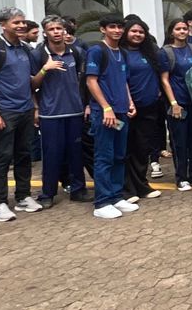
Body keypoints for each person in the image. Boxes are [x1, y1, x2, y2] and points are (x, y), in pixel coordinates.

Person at [0, 7, 42, 224]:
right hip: (4, 111)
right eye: (16, 22)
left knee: (24, 155)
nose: (21, 26)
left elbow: (29, 82)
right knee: (2, 157)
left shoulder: (24, 48)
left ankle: (23, 196)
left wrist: (34, 108)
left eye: (23, 22)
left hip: (25, 110)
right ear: (3, 25)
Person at [31, 15, 88, 206]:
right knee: (51, 155)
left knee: (76, 154)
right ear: (45, 33)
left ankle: (78, 190)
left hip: (75, 111)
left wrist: (86, 104)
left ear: (65, 31)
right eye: (51, 29)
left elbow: (85, 81)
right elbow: (31, 85)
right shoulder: (38, 55)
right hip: (50, 114)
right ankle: (47, 194)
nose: (56, 32)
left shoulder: (77, 52)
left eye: (59, 28)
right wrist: (45, 69)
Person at [86, 15, 138, 217]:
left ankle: (116, 196)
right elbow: (91, 81)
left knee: (119, 155)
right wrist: (106, 107)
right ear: (103, 29)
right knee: (104, 156)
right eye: (112, 27)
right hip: (105, 114)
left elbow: (124, 80)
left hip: (121, 112)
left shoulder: (122, 52)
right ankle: (102, 202)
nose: (117, 30)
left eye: (120, 27)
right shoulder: (97, 51)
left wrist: (129, 102)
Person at [121, 20, 172, 200]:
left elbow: (161, 76)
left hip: (149, 108)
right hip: (127, 109)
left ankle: (141, 185)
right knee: (126, 149)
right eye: (133, 31)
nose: (137, 35)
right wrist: (129, 102)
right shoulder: (120, 53)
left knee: (143, 149)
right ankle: (126, 188)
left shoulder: (151, 53)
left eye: (141, 32)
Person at [163, 19, 192, 190]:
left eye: (184, 29)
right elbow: (164, 80)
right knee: (179, 142)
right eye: (178, 29)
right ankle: (181, 177)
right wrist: (173, 103)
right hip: (178, 104)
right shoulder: (166, 52)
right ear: (171, 32)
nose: (182, 31)